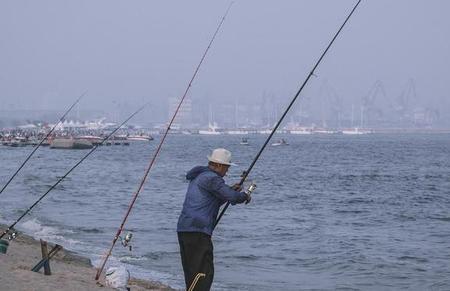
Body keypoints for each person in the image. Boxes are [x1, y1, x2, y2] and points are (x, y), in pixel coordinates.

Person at [177, 148, 251, 291]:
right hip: (197, 230)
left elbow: (214, 201)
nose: (227, 171)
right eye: (227, 168)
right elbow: (234, 198)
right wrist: (245, 195)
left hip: (186, 229)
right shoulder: (212, 178)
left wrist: (230, 190)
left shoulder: (201, 176)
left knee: (193, 272)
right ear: (219, 165)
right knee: (204, 272)